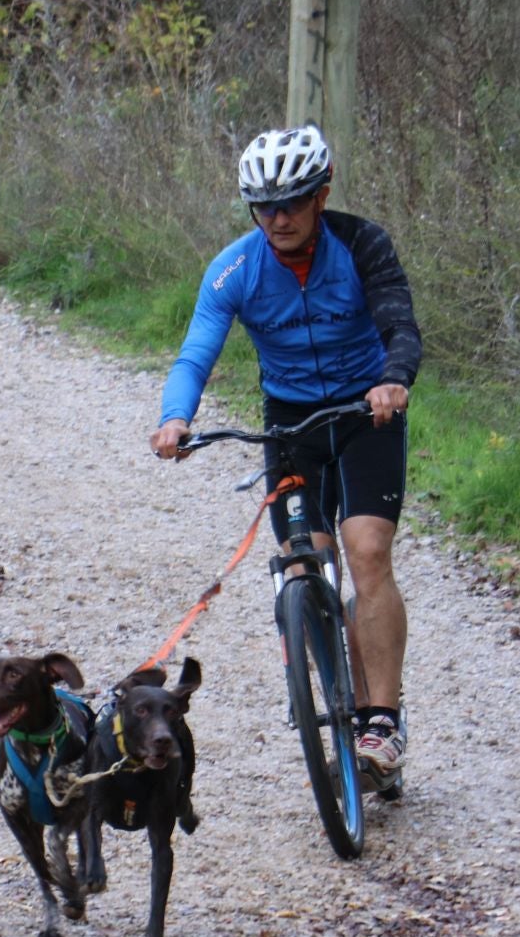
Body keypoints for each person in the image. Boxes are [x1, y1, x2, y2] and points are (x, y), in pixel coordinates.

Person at [149, 124, 421, 776]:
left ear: (321, 195)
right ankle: (321, 674)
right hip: (291, 426)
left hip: (365, 413)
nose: (278, 217)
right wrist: (175, 418)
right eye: (263, 206)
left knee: (367, 552)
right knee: (307, 562)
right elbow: (196, 353)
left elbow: (399, 322)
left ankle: (381, 720)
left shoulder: (362, 245)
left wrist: (392, 379)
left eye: (293, 202)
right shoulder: (235, 269)